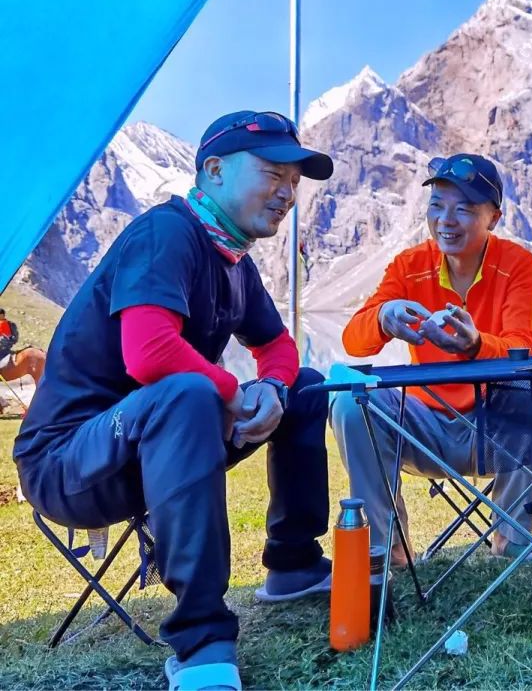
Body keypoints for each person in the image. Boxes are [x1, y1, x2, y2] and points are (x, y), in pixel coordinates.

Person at [14, 111, 335, 691]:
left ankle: (292, 564)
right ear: (213, 171)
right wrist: (237, 394)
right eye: (272, 173)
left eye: (294, 181)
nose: (287, 192)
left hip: (158, 446)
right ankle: (202, 639)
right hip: (67, 463)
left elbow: (278, 346)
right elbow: (149, 353)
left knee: (306, 386)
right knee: (186, 391)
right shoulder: (167, 233)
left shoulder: (235, 260)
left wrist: (273, 389)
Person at [331, 153, 532, 565]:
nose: (447, 219)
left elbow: (522, 348)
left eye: (464, 208)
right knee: (349, 403)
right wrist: (383, 318)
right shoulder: (409, 266)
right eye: (437, 206)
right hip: (424, 426)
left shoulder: (517, 264)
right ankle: (388, 548)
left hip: (492, 426)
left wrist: (475, 344)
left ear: (493, 218)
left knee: (531, 392)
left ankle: (511, 540)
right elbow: (355, 342)